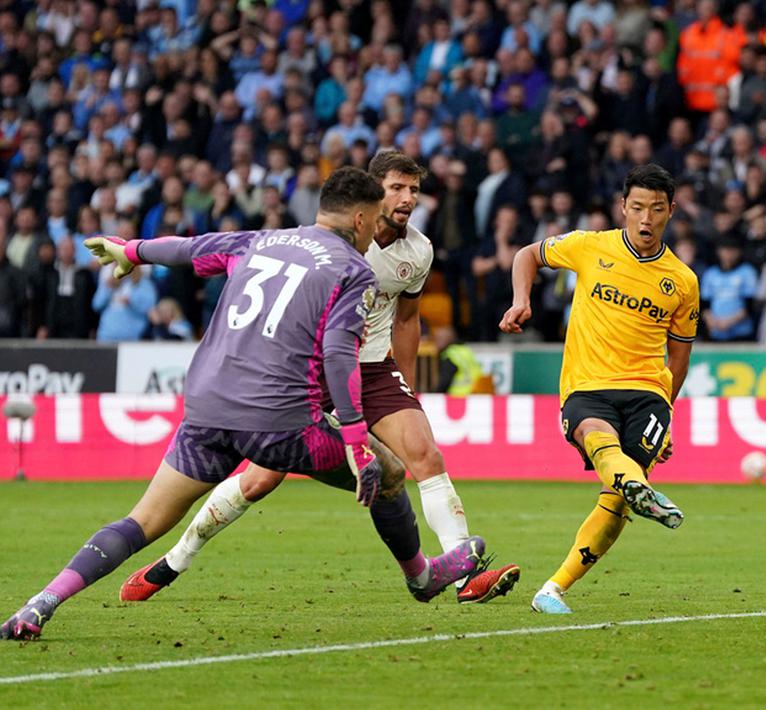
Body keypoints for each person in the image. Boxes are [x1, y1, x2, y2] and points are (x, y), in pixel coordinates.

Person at [1, 168, 485, 641]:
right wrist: (358, 439)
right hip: (281, 423)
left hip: (207, 412)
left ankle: (39, 604)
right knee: (391, 473)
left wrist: (130, 250)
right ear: (361, 219)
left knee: (141, 522)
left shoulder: (259, 240)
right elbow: (339, 354)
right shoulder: (352, 269)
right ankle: (422, 577)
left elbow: (187, 249)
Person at [119, 153, 519, 607]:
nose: (407, 198)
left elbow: (407, 321)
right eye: (397, 188)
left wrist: (406, 387)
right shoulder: (333, 241)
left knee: (424, 455)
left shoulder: (418, 251)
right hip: (314, 371)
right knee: (258, 482)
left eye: (413, 189)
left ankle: (464, 569)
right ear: (370, 192)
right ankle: (174, 560)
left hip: (372, 368)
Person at [499, 164, 699, 614]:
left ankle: (552, 589)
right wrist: (521, 300)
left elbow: (679, 360)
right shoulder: (589, 247)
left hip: (648, 392)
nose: (646, 219)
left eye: (657, 210)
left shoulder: (683, 281)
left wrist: (666, 417)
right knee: (596, 436)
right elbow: (526, 255)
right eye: (638, 208)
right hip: (587, 386)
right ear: (622, 207)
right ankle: (636, 486)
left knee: (615, 499)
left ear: (672, 211)